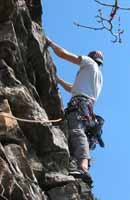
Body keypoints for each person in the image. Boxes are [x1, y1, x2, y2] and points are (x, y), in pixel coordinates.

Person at [46, 38, 103, 176]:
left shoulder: (89, 63)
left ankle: (83, 167)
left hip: (80, 105)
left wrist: (50, 43)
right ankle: (79, 165)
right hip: (87, 108)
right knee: (75, 133)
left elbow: (64, 54)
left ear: (91, 57)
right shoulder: (97, 76)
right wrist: (58, 79)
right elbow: (72, 88)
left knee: (77, 131)